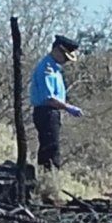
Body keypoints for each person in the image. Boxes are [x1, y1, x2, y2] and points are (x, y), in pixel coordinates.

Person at [29, 35, 84, 170]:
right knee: (50, 150)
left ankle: (49, 176)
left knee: (52, 148)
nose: (66, 61)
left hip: (53, 113)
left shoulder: (55, 69)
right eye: (65, 57)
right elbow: (48, 98)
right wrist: (68, 107)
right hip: (46, 112)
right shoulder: (46, 68)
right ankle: (49, 180)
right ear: (57, 50)